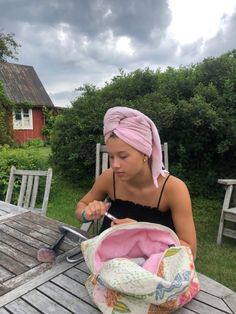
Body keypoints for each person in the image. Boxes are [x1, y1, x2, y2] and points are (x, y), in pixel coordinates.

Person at [75, 106, 197, 258]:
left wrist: (141, 232)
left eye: (123, 156)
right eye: (112, 156)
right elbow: (81, 207)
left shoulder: (173, 189)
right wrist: (87, 214)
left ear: (145, 154)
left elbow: (190, 249)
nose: (115, 165)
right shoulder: (109, 178)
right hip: (106, 263)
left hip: (152, 272)